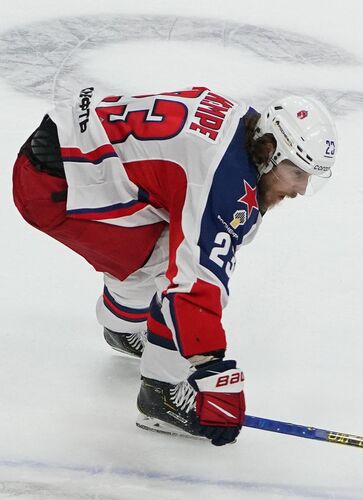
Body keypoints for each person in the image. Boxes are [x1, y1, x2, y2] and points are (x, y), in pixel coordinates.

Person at [12, 87, 337, 446]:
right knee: (177, 267)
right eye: (296, 172)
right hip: (55, 185)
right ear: (270, 150)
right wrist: (213, 372)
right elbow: (195, 284)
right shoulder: (223, 180)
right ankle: (161, 393)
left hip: (73, 155)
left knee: (174, 239)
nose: (301, 189)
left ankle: (122, 324)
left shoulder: (243, 126)